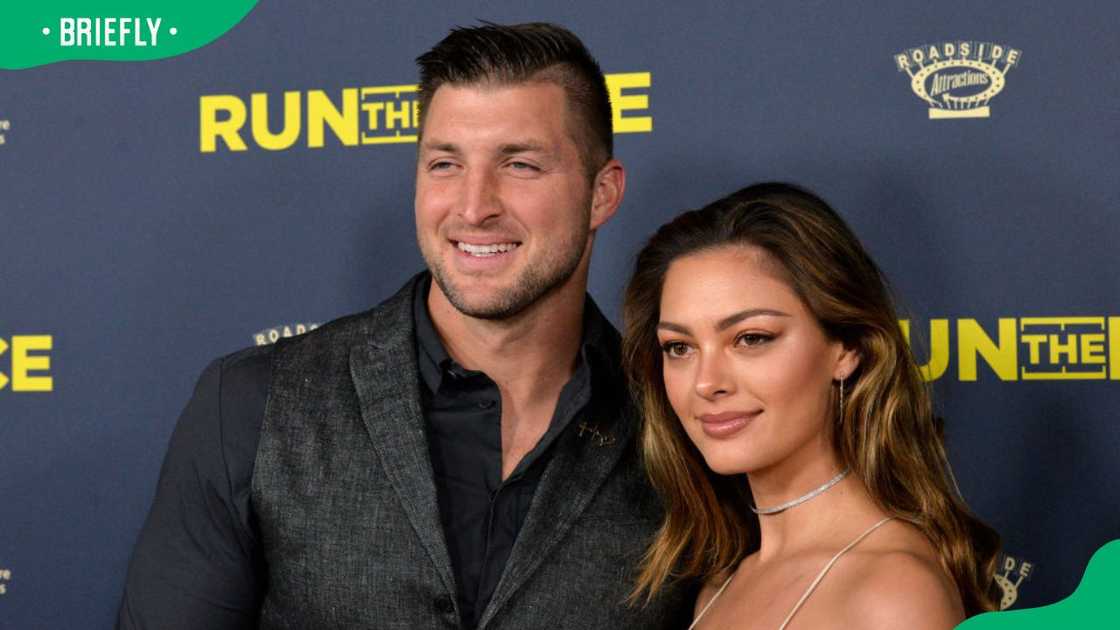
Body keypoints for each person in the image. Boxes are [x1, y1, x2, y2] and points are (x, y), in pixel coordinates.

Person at [117, 22, 693, 630]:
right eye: (445, 164)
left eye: (520, 165)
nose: (474, 206)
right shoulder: (252, 405)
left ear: (602, 194)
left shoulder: (679, 419)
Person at [621, 183, 1001, 629]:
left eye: (751, 339)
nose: (706, 383)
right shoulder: (720, 582)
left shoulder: (890, 592)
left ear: (846, 349)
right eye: (679, 347)